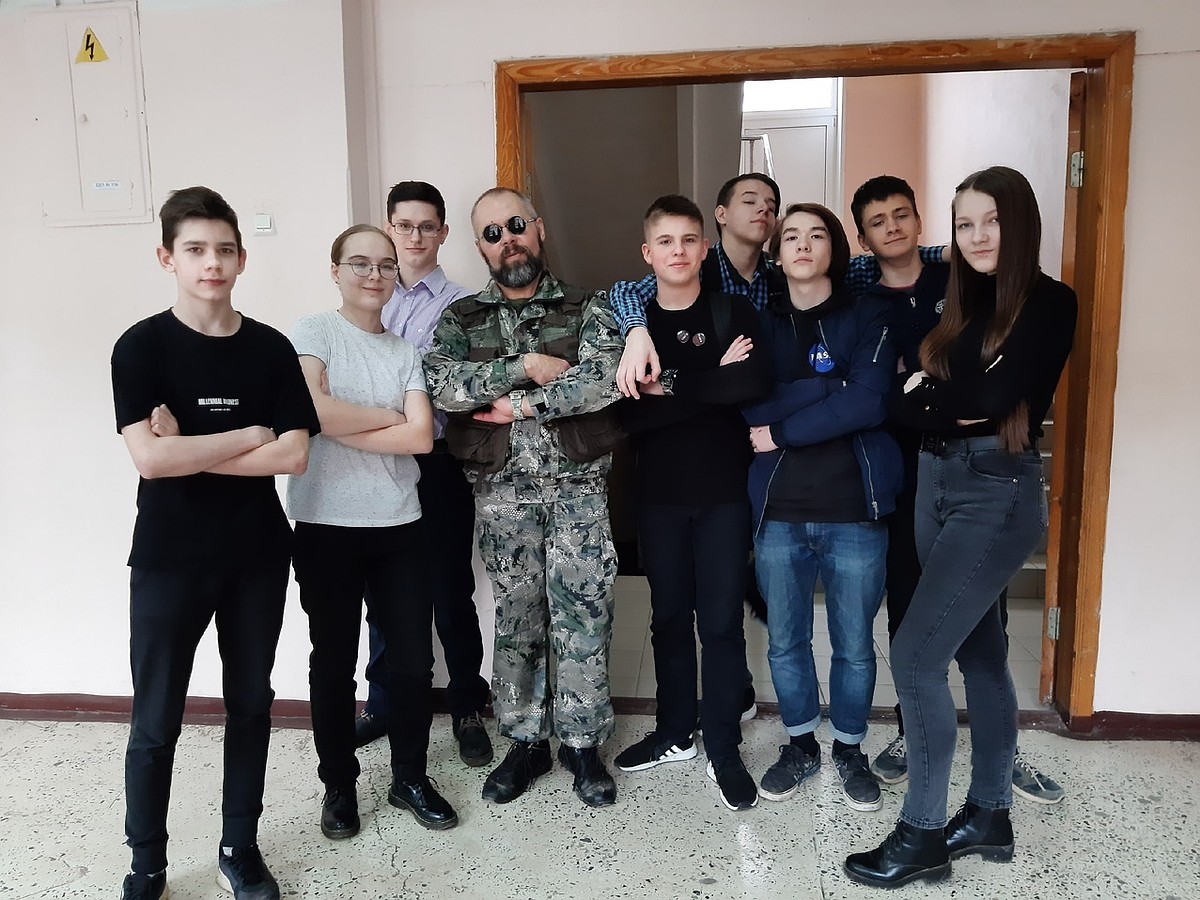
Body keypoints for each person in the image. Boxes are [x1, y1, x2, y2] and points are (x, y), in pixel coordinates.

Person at [844, 166, 1077, 888]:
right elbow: (903, 400)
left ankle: (921, 835)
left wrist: (930, 393)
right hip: (935, 480)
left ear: (1020, 223)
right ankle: (988, 816)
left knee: (915, 659)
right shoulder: (961, 298)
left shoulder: (1049, 302)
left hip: (994, 489)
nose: (977, 236)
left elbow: (995, 396)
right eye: (965, 223)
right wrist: (936, 397)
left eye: (992, 221)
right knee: (981, 656)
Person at [111, 186, 318, 900]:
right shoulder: (141, 347)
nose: (212, 263)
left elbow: (294, 455)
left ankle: (240, 846)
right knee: (156, 718)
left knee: (251, 705)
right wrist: (247, 435)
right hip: (169, 558)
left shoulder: (270, 348)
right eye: (195, 249)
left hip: (256, 556)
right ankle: (146, 863)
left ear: (242, 258)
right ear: (167, 258)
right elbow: (150, 459)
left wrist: (191, 446)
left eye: (224, 250)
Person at [423, 188, 624, 808]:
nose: (506, 239)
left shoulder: (587, 306)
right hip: (502, 495)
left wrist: (521, 407)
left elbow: (603, 379)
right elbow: (441, 383)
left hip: (577, 493)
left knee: (584, 614)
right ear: (480, 246)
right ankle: (524, 741)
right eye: (492, 233)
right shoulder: (461, 319)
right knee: (518, 618)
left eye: (515, 225)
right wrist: (525, 367)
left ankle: (582, 744)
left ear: (538, 229)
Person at [287, 224, 459, 842]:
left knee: (412, 664)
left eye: (386, 265)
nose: (375, 274)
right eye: (360, 263)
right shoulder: (313, 332)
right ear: (335, 271)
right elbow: (308, 410)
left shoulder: (404, 352)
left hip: (398, 524)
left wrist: (344, 421)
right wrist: (387, 418)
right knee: (333, 664)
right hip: (325, 524)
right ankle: (339, 785)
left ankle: (409, 777)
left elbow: (421, 437)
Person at [612, 195, 772, 811]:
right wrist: (712, 379)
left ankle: (724, 746)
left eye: (688, 240)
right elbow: (629, 414)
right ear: (647, 253)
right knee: (669, 618)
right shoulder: (633, 329)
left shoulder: (734, 311)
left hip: (723, 496)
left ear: (705, 248)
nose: (678, 251)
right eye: (666, 242)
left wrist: (670, 384)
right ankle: (675, 731)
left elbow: (751, 383)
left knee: (722, 624)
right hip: (658, 499)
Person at [741, 203, 902, 814]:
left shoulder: (868, 315)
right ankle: (801, 745)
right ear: (777, 253)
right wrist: (832, 389)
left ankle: (851, 750)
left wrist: (785, 425)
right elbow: (750, 404)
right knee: (786, 642)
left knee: (855, 645)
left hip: (854, 510)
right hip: (778, 513)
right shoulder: (758, 323)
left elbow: (868, 403)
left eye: (816, 235)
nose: (803, 245)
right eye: (791, 237)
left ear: (834, 248)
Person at [354, 181, 493, 771]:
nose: (414, 237)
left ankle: (467, 706)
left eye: (426, 226)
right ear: (389, 227)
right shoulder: (366, 299)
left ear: (443, 233)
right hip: (372, 462)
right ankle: (382, 704)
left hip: (437, 462)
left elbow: (454, 390)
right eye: (403, 225)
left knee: (449, 589)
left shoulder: (464, 306)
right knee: (379, 590)